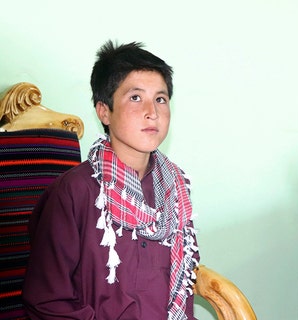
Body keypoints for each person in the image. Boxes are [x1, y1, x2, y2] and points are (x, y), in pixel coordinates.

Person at [22, 40, 199, 320]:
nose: (152, 112)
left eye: (161, 99)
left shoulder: (175, 191)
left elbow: (184, 289)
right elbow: (47, 302)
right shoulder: (74, 193)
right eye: (136, 97)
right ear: (104, 111)